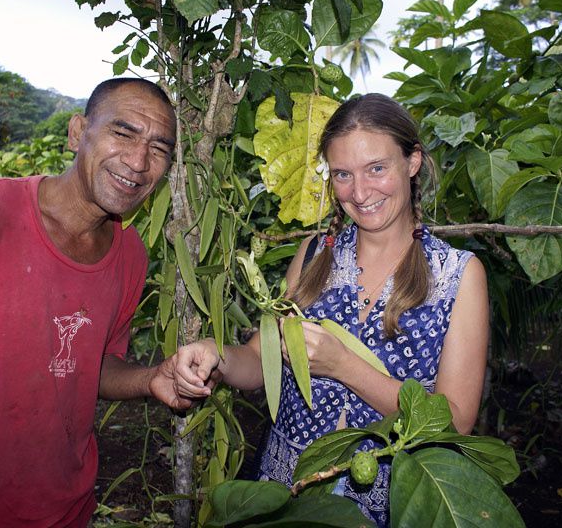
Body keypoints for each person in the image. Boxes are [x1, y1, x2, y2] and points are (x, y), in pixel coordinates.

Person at [0, 78, 199, 527]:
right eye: (122, 133)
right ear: (77, 132)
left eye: (159, 149)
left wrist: (150, 378)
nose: (139, 162)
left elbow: (91, 364)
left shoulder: (130, 255)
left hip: (63, 511)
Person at [174, 93, 489, 527]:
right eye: (343, 174)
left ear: (412, 162)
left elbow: (455, 421)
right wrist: (217, 356)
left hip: (390, 504)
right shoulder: (312, 256)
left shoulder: (458, 275)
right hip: (288, 495)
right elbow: (262, 360)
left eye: (376, 168)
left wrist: (345, 366)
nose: (360, 192)